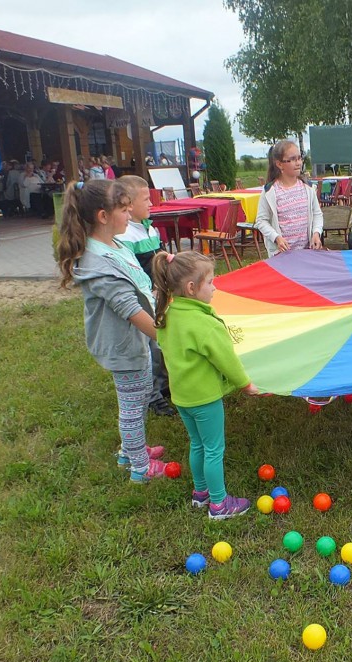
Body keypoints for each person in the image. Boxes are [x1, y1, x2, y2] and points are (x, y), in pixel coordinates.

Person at [56, 179, 176, 482]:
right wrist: (168, 339)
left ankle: (130, 449)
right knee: (133, 408)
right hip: (124, 346)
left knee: (134, 400)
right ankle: (139, 466)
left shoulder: (115, 245)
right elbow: (131, 310)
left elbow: (139, 285)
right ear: (103, 216)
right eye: (123, 209)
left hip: (133, 342)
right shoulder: (99, 262)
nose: (129, 214)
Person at [152, 250, 261, 519]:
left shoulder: (168, 314)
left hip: (183, 398)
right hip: (205, 399)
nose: (215, 287)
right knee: (214, 449)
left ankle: (200, 493)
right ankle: (219, 504)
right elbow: (227, 360)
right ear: (192, 288)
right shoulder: (203, 323)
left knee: (197, 444)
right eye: (210, 282)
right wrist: (245, 384)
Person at [116, 175, 176, 418]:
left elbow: (157, 257)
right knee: (149, 347)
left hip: (158, 294)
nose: (152, 203)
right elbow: (132, 268)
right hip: (143, 299)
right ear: (128, 204)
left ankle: (163, 386)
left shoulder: (149, 227)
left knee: (160, 344)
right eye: (146, 199)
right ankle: (152, 396)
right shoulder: (125, 235)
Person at [255, 140, 324, 257]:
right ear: (279, 164)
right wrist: (276, 238)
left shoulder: (308, 188)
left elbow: (317, 214)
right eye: (292, 159)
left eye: (299, 158)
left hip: (307, 253)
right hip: (281, 255)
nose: (298, 163)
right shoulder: (270, 192)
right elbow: (261, 221)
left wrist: (316, 233)